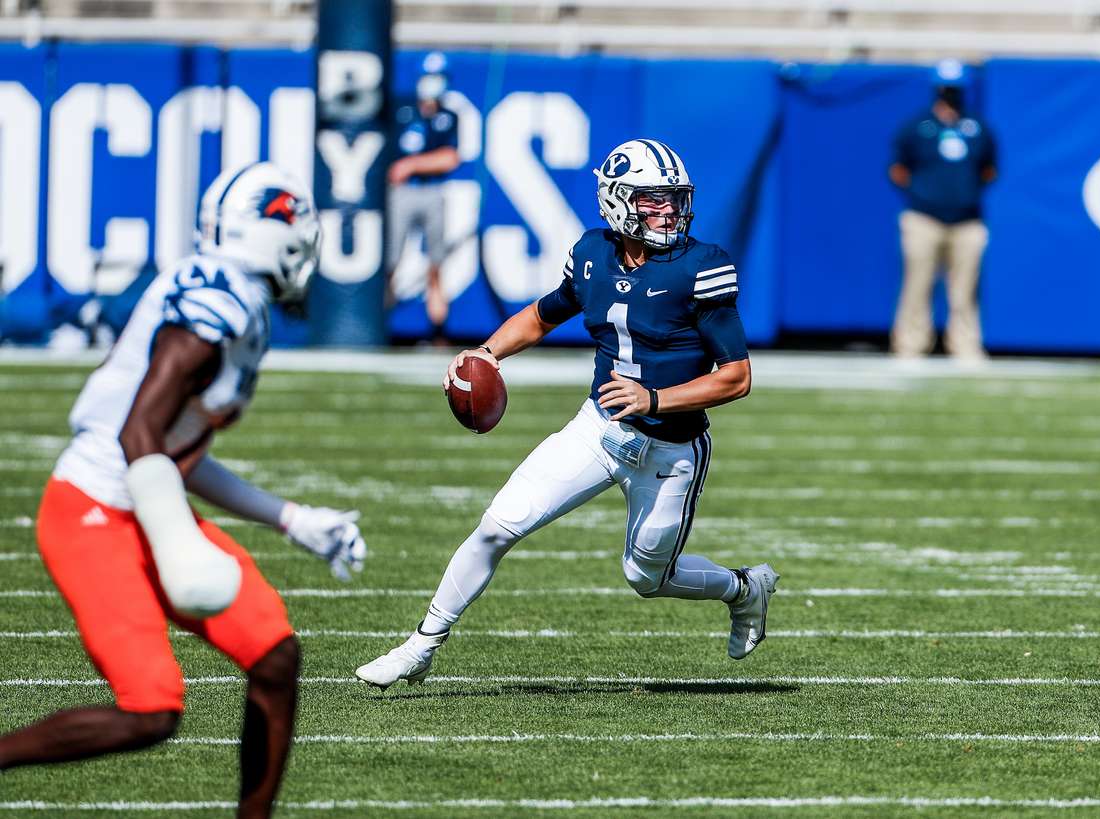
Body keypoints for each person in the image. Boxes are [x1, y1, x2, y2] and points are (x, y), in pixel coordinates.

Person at [0, 163, 368, 819]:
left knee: (276, 655)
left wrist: (289, 517)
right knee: (151, 710)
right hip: (94, 508)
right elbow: (139, 431)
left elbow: (175, 454)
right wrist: (174, 541)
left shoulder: (236, 295)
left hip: (144, 496)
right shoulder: (218, 307)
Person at [356, 138, 779, 689]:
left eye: (673, 199)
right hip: (598, 430)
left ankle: (746, 589)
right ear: (618, 201)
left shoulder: (702, 267)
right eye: (653, 200)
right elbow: (541, 314)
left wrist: (653, 399)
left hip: (671, 449)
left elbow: (736, 376)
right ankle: (421, 646)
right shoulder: (592, 254)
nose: (668, 211)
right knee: (497, 525)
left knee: (647, 577)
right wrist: (487, 353)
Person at [888, 59, 997, 361]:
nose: (951, 95)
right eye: (946, 89)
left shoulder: (977, 128)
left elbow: (989, 170)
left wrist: (963, 193)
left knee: (965, 288)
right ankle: (910, 344)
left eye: (955, 90)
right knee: (917, 284)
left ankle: (965, 344)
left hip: (967, 219)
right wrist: (925, 195)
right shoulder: (918, 127)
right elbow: (898, 169)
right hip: (924, 217)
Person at [387, 50, 461, 344]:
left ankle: (438, 331)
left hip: (431, 190)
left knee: (436, 265)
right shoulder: (402, 110)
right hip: (402, 193)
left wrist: (412, 164)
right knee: (389, 263)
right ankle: (378, 324)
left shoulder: (448, 116)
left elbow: (449, 158)